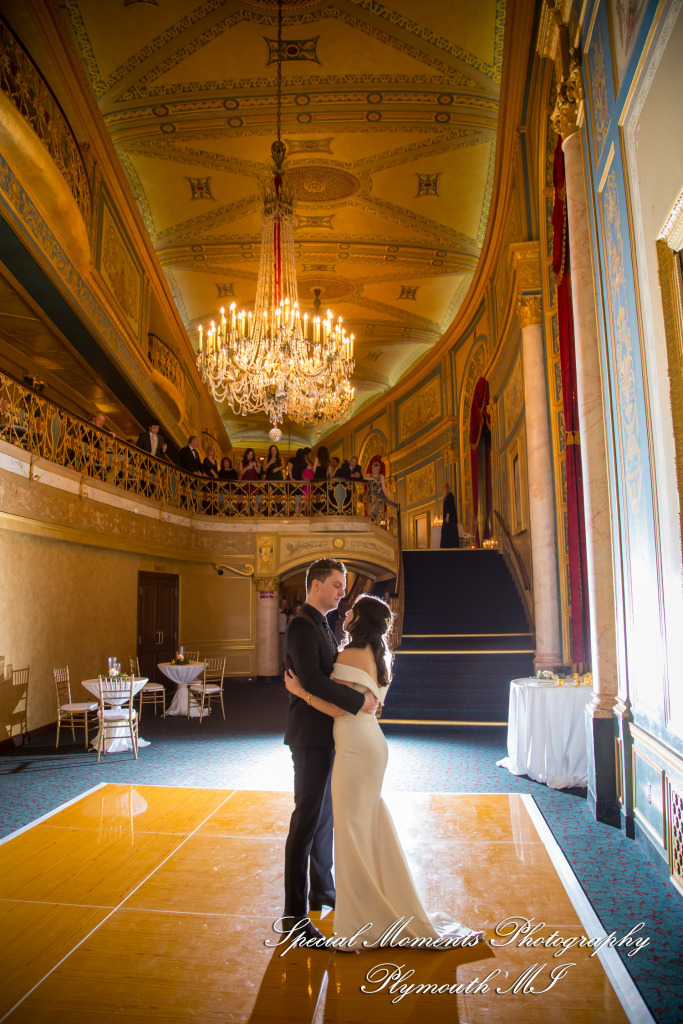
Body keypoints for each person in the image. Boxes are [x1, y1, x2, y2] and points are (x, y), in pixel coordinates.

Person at [285, 594, 483, 949]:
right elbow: (365, 704)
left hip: (355, 746)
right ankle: (375, 905)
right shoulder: (379, 655)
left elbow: (339, 708)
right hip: (370, 744)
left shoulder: (349, 655)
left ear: (361, 620)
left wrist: (301, 690)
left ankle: (362, 919)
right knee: (366, 824)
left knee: (351, 830)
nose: (346, 611)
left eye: (353, 610)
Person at [281, 559, 378, 943]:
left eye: (343, 586)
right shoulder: (302, 625)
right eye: (337, 585)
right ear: (317, 585)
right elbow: (313, 680)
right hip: (309, 737)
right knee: (305, 822)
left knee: (325, 818)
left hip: (329, 733)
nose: (342, 592)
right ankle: (293, 914)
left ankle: (323, 888)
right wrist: (360, 701)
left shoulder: (322, 623)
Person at [440, 482, 460, 548]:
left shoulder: (450, 495)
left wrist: (447, 516)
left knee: (449, 532)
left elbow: (450, 506)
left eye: (443, 488)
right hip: (447, 519)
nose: (441, 490)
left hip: (450, 519)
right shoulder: (445, 497)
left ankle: (450, 546)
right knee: (446, 533)